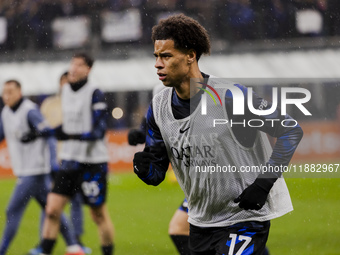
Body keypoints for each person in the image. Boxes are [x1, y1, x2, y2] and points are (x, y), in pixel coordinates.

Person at [133, 14, 303, 255]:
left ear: (191, 56)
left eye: (166, 56)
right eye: (156, 56)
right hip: (201, 221)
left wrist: (262, 185)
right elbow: (156, 173)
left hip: (244, 216)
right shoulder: (158, 107)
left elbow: (290, 130)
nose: (157, 64)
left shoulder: (230, 96)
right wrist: (143, 167)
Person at [31, 52, 115, 255]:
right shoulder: (66, 90)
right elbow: (66, 126)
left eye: (79, 65)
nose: (74, 68)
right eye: (72, 64)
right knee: (51, 210)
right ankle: (44, 251)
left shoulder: (95, 92)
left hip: (92, 162)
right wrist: (44, 132)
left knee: (98, 215)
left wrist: (71, 135)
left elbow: (98, 130)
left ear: (88, 69)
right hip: (69, 161)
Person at [0, 80, 79, 255]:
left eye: (10, 92)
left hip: (34, 171)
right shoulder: (6, 112)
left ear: (19, 92)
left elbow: (49, 135)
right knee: (51, 209)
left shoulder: (30, 111)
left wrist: (52, 164)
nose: (7, 96)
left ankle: (2, 250)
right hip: (27, 170)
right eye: (4, 92)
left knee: (12, 210)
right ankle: (73, 246)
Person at [29, 72, 91, 255]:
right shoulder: (49, 104)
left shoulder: (81, 104)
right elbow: (41, 131)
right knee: (50, 203)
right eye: (64, 83)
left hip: (75, 159)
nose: (66, 87)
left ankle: (76, 242)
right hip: (54, 161)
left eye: (70, 83)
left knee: (77, 202)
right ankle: (45, 243)